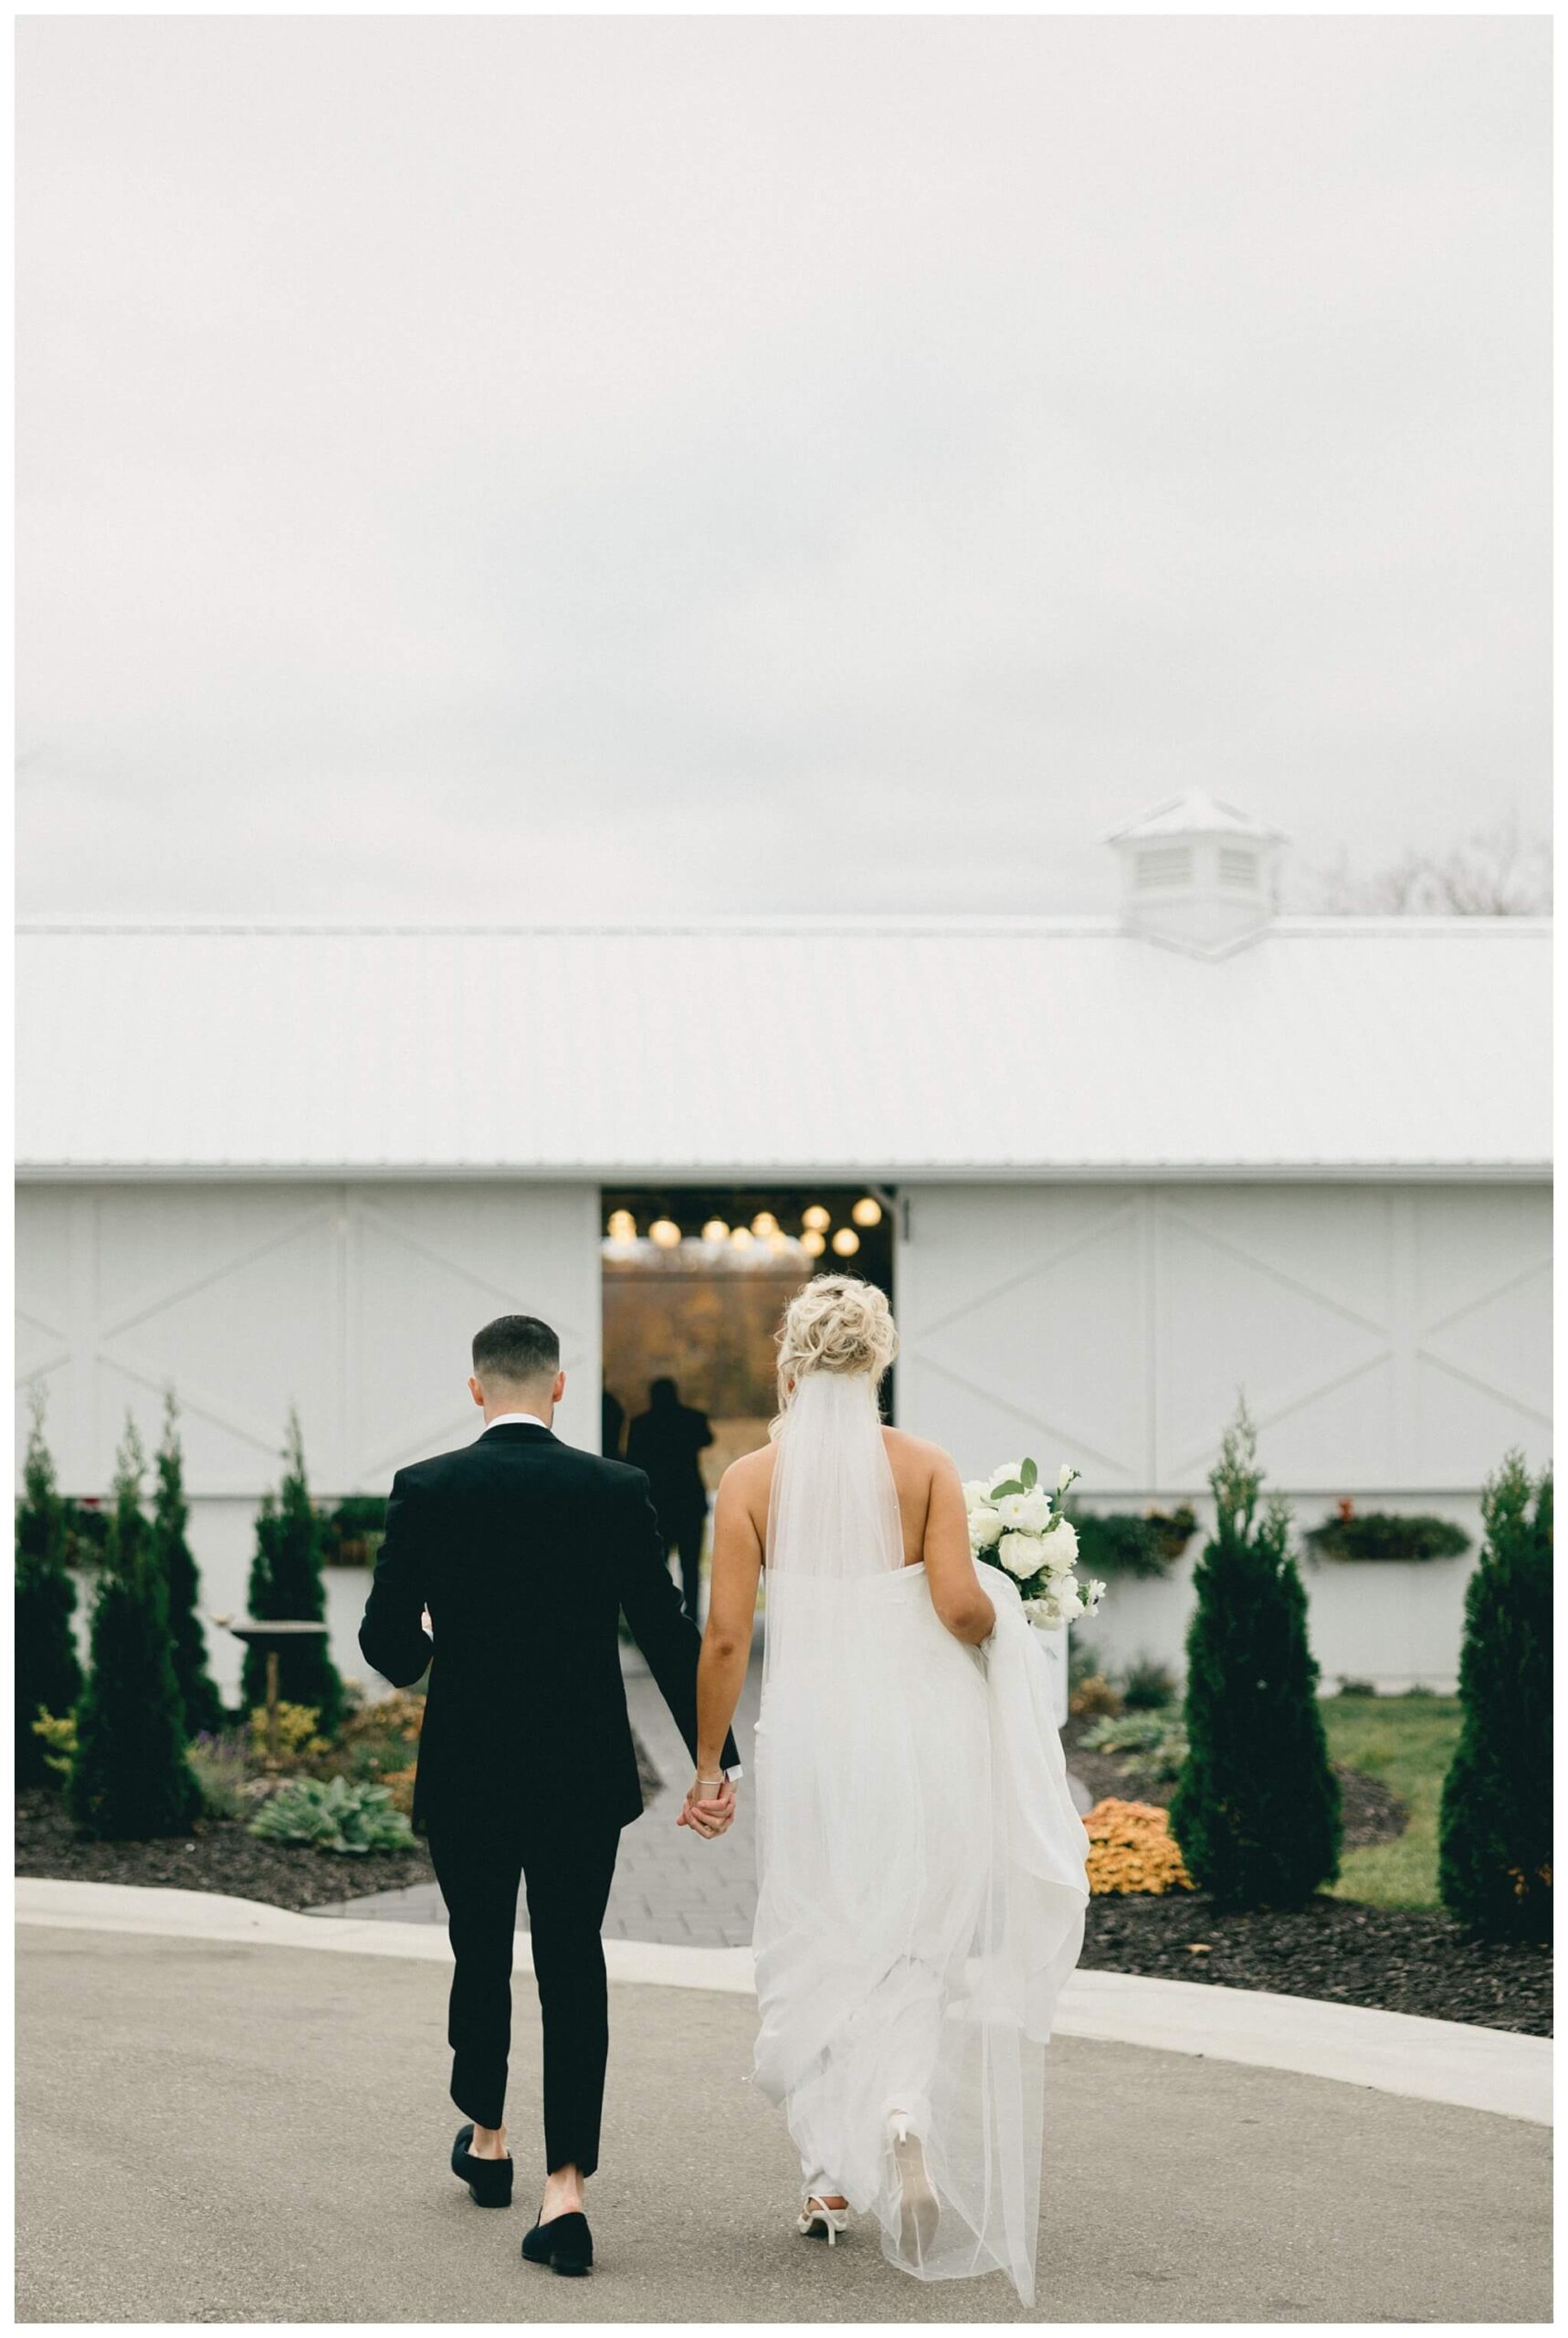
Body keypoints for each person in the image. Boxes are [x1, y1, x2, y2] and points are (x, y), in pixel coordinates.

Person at [680, 1277, 1089, 2307]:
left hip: (813, 1742)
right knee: (909, 1936)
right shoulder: (924, 1467)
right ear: (878, 1364)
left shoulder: (749, 1481)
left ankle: (826, 2179)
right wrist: (1012, 1600)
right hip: (920, 1739)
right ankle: (901, 2113)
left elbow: (725, 1635)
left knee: (815, 1931)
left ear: (790, 1365)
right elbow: (957, 1608)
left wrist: (705, 1763)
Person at [358, 1314, 740, 2280]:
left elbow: (388, 1646)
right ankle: (565, 2190)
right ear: (560, 1388)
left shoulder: (427, 1488)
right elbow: (665, 1625)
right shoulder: (613, 1487)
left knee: (479, 1946)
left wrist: (436, 1632)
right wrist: (711, 1760)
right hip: (581, 1767)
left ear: (477, 1388)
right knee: (572, 1960)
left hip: (468, 1765)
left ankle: (487, 2136)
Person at [626, 1377, 714, 1620]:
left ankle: (663, 1613)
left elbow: (631, 1459)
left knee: (657, 1564)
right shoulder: (692, 1419)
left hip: (658, 1503)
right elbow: (708, 1439)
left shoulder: (642, 1424)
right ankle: (693, 1613)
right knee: (690, 1565)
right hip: (689, 1501)